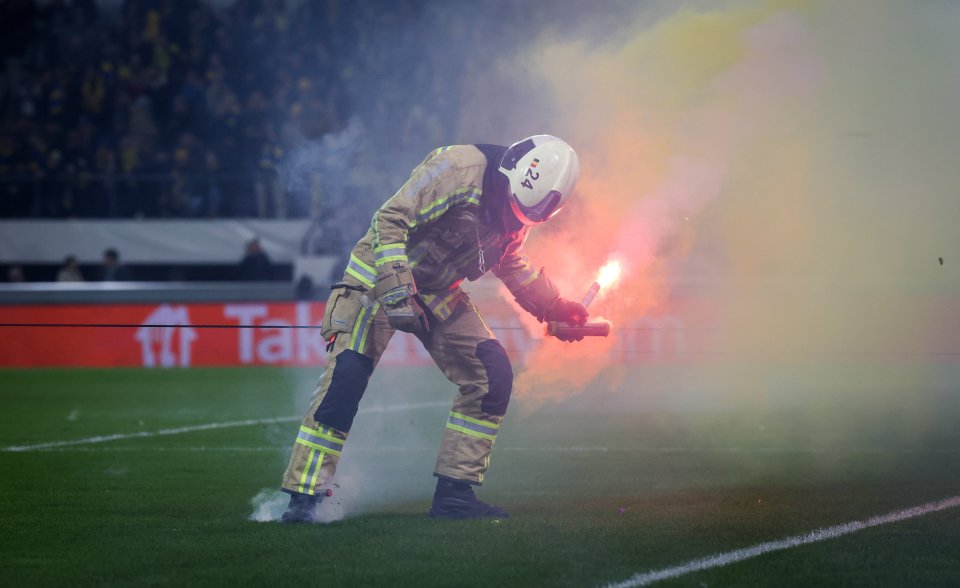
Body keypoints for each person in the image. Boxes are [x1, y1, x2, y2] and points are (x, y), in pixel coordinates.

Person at [280, 135, 590, 523]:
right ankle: (304, 498)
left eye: (523, 215)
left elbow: (509, 260)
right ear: (511, 171)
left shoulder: (519, 210)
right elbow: (389, 221)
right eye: (512, 205)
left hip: (438, 288)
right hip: (378, 278)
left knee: (490, 374)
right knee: (347, 376)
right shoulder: (458, 169)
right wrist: (395, 292)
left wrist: (555, 306)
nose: (513, 217)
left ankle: (454, 496)